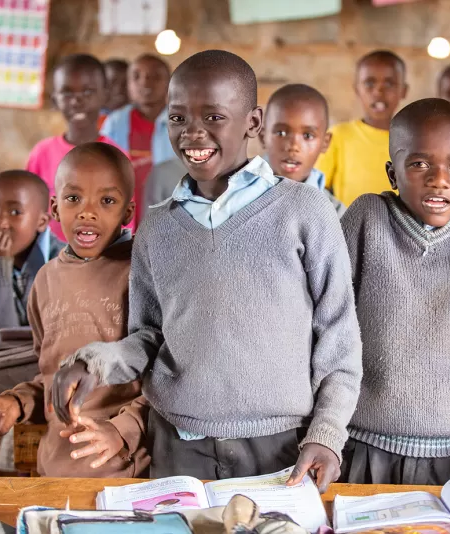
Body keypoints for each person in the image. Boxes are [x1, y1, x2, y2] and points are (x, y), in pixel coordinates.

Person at [50, 50, 363, 492]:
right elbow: (150, 336)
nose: (193, 133)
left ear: (253, 123)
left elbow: (339, 338)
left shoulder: (305, 211)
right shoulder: (158, 225)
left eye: (213, 116)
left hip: (280, 446)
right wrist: (95, 362)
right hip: (177, 446)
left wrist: (327, 434)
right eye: (177, 119)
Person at [339, 98, 450, 485]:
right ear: (392, 172)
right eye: (419, 164)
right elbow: (328, 326)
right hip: (365, 447)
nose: (439, 179)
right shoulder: (367, 217)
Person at [0, 143, 150, 478]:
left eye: (106, 201)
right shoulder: (46, 280)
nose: (86, 212)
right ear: (55, 207)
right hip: (53, 470)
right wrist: (16, 402)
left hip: (124, 473)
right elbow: (49, 376)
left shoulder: (142, 271)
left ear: (127, 212)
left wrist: (122, 431)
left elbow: (168, 380)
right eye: (73, 198)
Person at [26, 54, 128, 240]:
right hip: (47, 263)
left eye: (88, 92)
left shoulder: (116, 157)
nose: (77, 101)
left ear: (104, 95)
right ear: (55, 99)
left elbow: (125, 224)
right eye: (67, 92)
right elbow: (29, 212)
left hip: (99, 264)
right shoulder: (42, 154)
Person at [0, 171, 63, 349]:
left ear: (41, 222)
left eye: (15, 212)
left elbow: (64, 337)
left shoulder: (68, 262)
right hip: (6, 362)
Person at [315, 50, 408, 207]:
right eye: (369, 83)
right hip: (346, 228)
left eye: (389, 84)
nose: (379, 91)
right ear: (357, 89)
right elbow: (316, 188)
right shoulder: (338, 136)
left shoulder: (413, 141)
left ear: (404, 91)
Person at [101, 54, 175, 226]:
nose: (145, 83)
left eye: (155, 77)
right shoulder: (115, 123)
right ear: (128, 84)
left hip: (168, 217)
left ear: (170, 84)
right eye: (136, 77)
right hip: (122, 219)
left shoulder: (181, 123)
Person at [261, 84, 346, 216]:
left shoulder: (336, 214)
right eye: (281, 133)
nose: (293, 146)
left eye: (308, 136)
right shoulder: (235, 196)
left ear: (325, 142)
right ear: (263, 137)